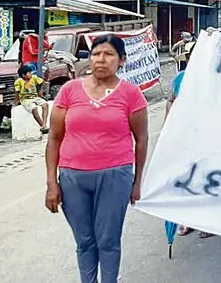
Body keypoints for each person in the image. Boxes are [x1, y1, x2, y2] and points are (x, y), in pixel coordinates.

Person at [45, 34, 149, 283]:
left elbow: (142, 139)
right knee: (85, 241)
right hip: (73, 178)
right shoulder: (70, 90)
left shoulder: (131, 94)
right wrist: (51, 183)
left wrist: (136, 183)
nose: (101, 60)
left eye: (109, 54)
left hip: (115, 176)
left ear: (121, 60)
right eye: (96, 54)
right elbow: (54, 138)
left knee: (108, 240)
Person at [164, 64, 212, 240]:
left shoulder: (213, 76)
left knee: (204, 178)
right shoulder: (181, 77)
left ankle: (206, 221)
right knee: (184, 178)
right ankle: (186, 221)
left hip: (204, 135)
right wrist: (170, 121)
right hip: (182, 135)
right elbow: (170, 99)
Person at [14, 64, 50, 134]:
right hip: (25, 99)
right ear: (23, 75)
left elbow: (42, 82)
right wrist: (17, 101)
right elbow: (17, 92)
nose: (31, 74)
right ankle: (42, 125)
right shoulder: (19, 81)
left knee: (45, 104)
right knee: (34, 109)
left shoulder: (33, 78)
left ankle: (45, 123)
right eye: (29, 73)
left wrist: (40, 92)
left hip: (35, 97)